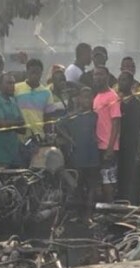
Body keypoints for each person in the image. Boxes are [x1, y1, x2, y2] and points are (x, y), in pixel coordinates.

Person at [58, 86, 100, 222]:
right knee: (78, 185)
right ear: (79, 99)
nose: (87, 100)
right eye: (84, 97)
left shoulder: (95, 115)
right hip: (78, 155)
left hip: (92, 154)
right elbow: (58, 125)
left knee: (92, 185)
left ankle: (89, 213)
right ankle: (79, 213)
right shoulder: (72, 116)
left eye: (89, 97)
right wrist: (70, 139)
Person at [117, 71, 140, 204]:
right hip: (117, 145)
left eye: (124, 80)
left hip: (131, 146)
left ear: (131, 83)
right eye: (120, 79)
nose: (121, 82)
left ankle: (131, 203)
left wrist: (139, 150)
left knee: (130, 177)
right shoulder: (116, 102)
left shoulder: (137, 105)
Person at [92, 66, 121, 203]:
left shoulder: (112, 96)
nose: (98, 77)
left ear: (107, 77)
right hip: (98, 146)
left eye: (101, 74)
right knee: (100, 182)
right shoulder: (97, 97)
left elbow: (116, 123)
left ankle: (111, 208)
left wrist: (110, 148)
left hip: (108, 146)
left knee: (108, 181)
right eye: (95, 74)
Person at [15, 58, 55, 144]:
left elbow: (48, 117)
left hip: (39, 136)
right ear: (27, 72)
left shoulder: (46, 93)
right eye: (32, 72)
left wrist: (48, 136)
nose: (35, 76)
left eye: (38, 73)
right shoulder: (16, 88)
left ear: (41, 73)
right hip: (18, 138)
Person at [0, 74, 24, 169]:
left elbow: (23, 127)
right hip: (0, 153)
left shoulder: (14, 101)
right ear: (0, 85)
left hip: (14, 152)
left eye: (13, 83)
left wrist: (11, 124)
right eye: (8, 83)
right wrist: (16, 124)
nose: (12, 86)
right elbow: (2, 124)